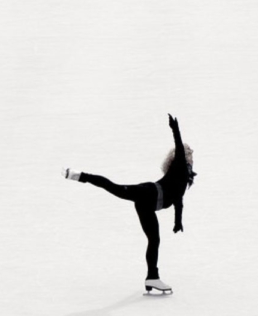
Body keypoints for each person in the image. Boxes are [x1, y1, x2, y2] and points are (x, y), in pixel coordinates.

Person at [63, 114, 196, 294]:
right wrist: (175, 129)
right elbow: (179, 148)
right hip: (147, 193)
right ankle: (79, 175)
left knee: (154, 240)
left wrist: (178, 222)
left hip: (147, 205)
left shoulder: (181, 180)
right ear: (183, 159)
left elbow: (178, 201)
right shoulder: (179, 167)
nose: (190, 160)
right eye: (189, 157)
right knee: (115, 188)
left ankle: (152, 277)